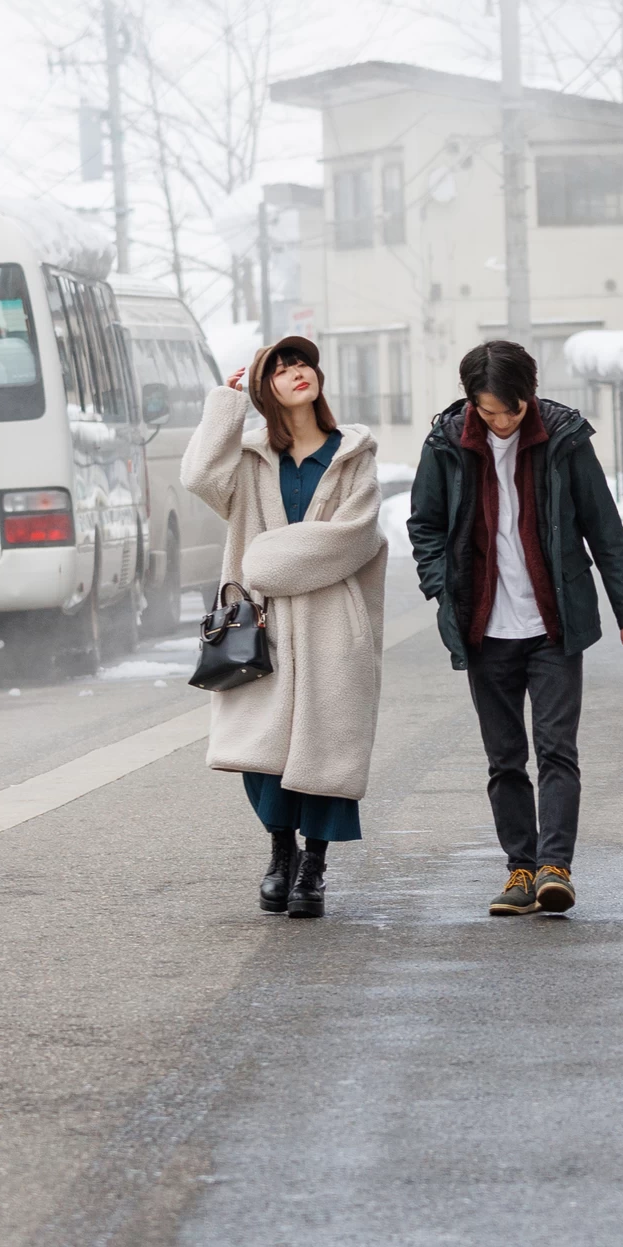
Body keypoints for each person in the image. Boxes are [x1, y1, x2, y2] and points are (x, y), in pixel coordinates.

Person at [406, 339, 623, 917]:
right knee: (505, 757)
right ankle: (520, 869)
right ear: (472, 403)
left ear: (528, 397)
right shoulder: (446, 443)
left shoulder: (561, 439)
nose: (503, 421)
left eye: (511, 409)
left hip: (552, 624)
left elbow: (601, 524)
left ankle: (554, 869)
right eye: (490, 412)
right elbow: (425, 525)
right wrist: (444, 586)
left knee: (558, 749)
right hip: (483, 627)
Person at [181, 336, 388, 919]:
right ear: (261, 390)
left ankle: (314, 867)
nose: (299, 372)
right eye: (281, 368)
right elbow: (199, 478)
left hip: (331, 624)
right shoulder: (246, 460)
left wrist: (267, 560)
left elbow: (356, 535)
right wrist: (224, 407)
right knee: (262, 749)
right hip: (261, 626)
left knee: (326, 748)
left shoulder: (353, 454)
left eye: (303, 363)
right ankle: (281, 854)